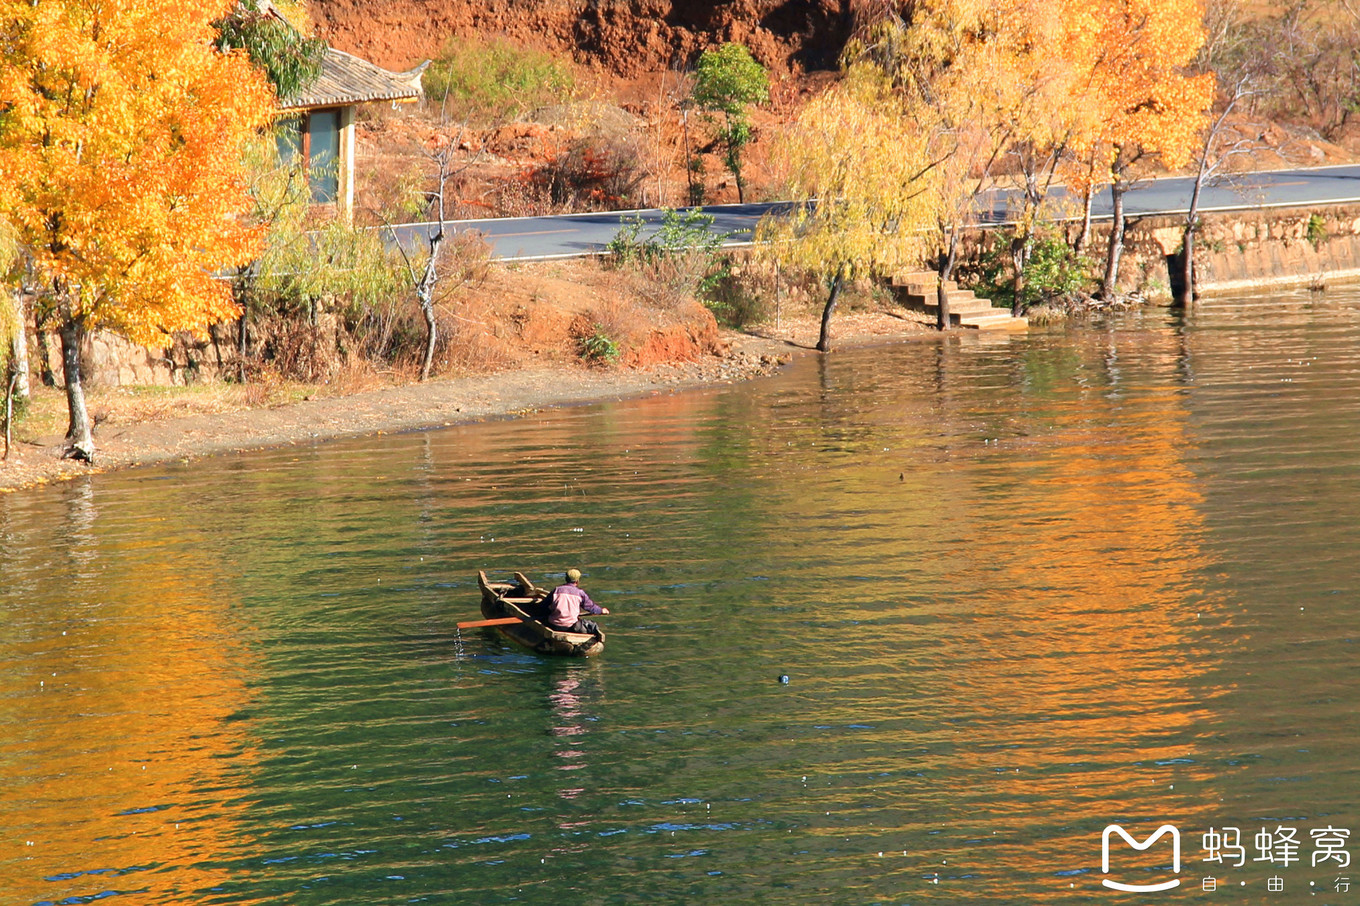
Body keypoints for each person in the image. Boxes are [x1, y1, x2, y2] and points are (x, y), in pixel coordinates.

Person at [546, 568, 608, 636]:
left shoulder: (556, 590)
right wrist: (601, 610)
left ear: (566, 579)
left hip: (554, 625)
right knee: (591, 625)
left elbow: (544, 605)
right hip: (572, 627)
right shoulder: (580, 593)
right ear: (577, 581)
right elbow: (590, 607)